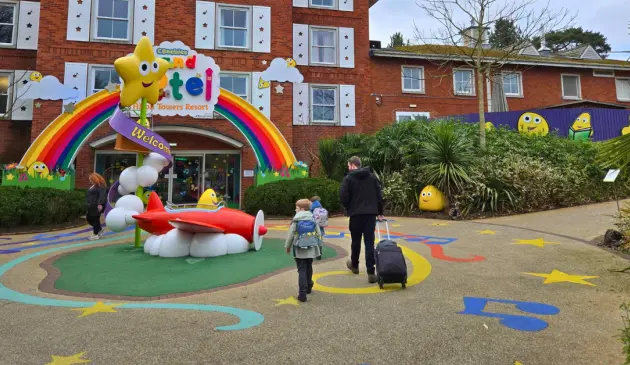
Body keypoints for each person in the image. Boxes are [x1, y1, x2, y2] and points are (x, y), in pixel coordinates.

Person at [339, 156, 384, 284]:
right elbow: (379, 195)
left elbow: (343, 196)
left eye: (349, 166)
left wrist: (349, 208)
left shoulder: (348, 179)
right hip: (370, 214)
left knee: (355, 241)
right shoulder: (372, 177)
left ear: (353, 165)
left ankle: (354, 265)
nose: (348, 168)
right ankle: (371, 272)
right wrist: (380, 212)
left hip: (355, 214)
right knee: (370, 242)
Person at [284, 199, 323, 302]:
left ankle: (302, 294)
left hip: (299, 248)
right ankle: (309, 287)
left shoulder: (296, 220)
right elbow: (319, 234)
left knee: (301, 269)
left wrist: (287, 246)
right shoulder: (313, 219)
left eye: (296, 208)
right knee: (309, 267)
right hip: (311, 248)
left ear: (301, 209)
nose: (295, 209)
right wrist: (318, 246)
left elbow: (290, 235)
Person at [86, 173, 108, 240]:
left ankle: (95, 234)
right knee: (89, 218)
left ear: (94, 179)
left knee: (95, 219)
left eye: (91, 179)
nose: (90, 181)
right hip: (91, 205)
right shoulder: (94, 186)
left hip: (96, 206)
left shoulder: (101, 186)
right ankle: (99, 229)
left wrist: (100, 204)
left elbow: (102, 196)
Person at [310, 196, 328, 260]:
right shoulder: (321, 208)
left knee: (314, 239)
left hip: (314, 227)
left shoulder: (311, 208)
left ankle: (315, 253)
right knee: (320, 239)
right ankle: (320, 253)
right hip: (321, 227)